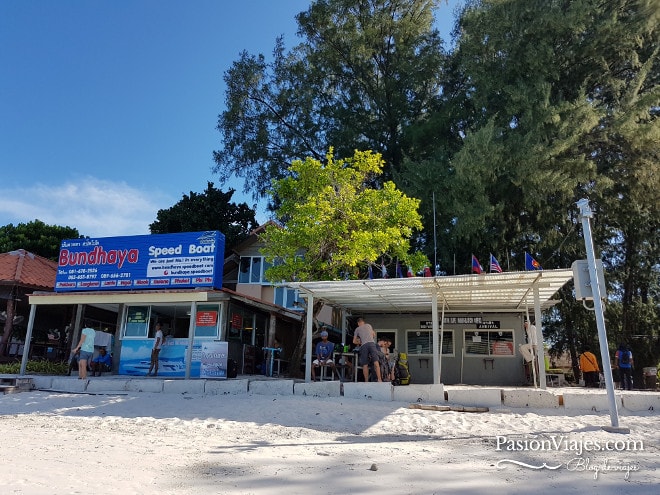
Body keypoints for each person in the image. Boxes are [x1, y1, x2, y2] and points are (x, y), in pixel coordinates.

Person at [353, 317, 382, 382]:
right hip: (372, 344)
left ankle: (366, 381)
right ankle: (379, 380)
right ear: (363, 322)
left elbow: (354, 341)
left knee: (365, 364)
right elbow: (374, 335)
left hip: (364, 346)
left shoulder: (357, 329)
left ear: (358, 323)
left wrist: (360, 342)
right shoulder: (369, 325)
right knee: (376, 362)